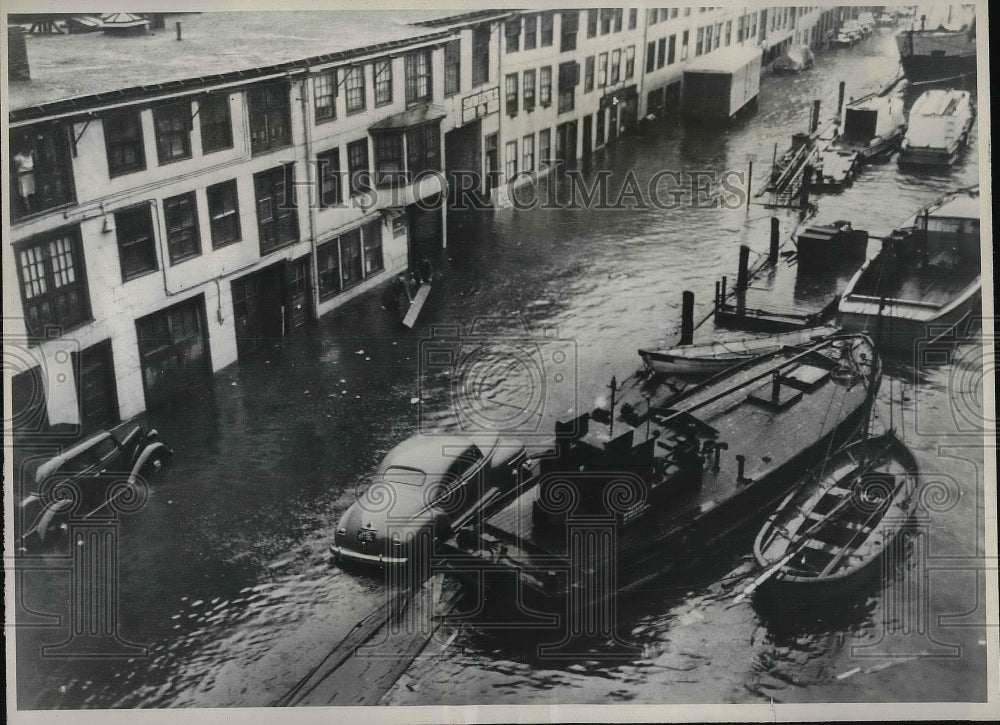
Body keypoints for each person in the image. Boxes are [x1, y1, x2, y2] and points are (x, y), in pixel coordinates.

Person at [14, 140, 36, 212]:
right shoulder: (18, 157)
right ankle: (27, 207)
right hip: (23, 176)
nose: (28, 150)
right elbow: (16, 167)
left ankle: (34, 204)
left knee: (32, 190)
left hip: (31, 174)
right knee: (25, 191)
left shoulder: (30, 154)